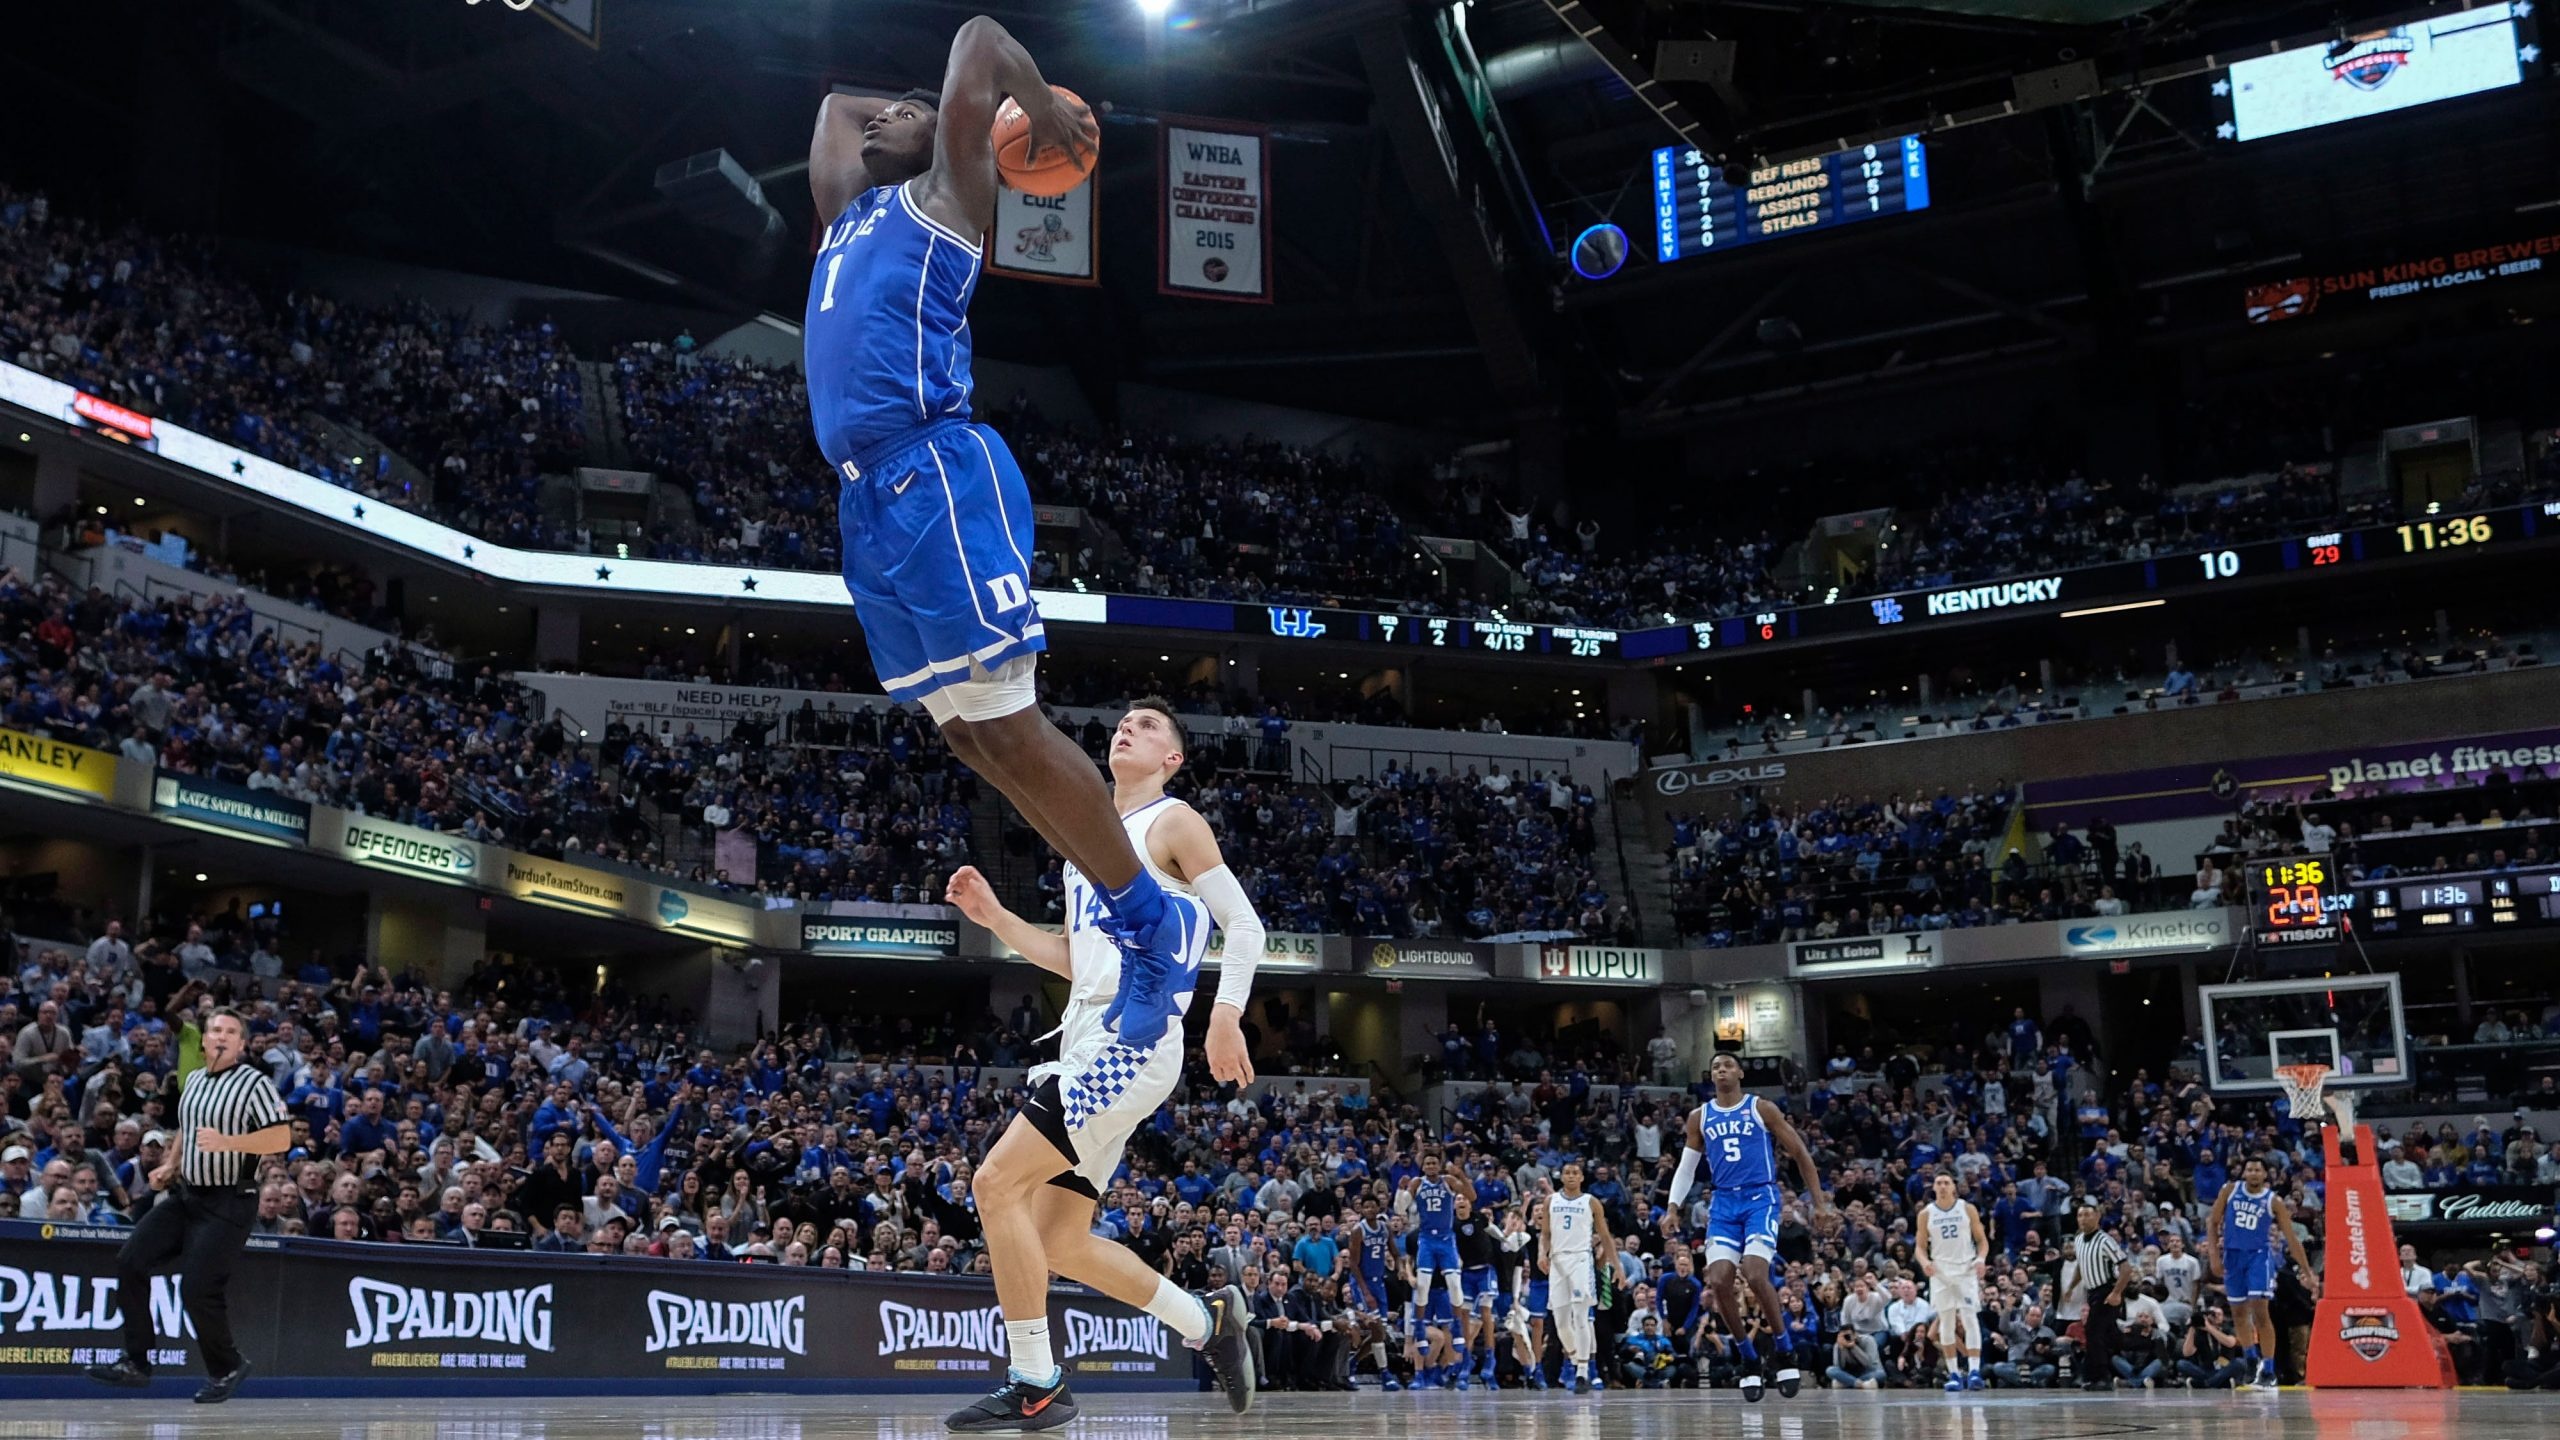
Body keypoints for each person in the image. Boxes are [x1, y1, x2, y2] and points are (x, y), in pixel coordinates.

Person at [802, 20, 1205, 1100]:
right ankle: (1136, 914)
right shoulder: (851, 215)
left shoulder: (948, 205)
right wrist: (904, 114)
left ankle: (1153, 928)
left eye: (911, 108)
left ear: (962, 143)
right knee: (976, 745)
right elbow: (834, 116)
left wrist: (1039, 105)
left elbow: (977, 38)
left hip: (937, 473)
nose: (881, 112)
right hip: (868, 502)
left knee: (1013, 729)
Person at [939, 700, 1261, 1429]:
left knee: (995, 1183)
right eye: (1124, 721)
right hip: (1086, 1035)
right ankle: (1208, 1320)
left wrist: (1227, 1013)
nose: (1129, 728)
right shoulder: (1085, 844)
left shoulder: (1173, 821)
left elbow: (1243, 923)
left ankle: (1035, 1377)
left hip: (1133, 1039)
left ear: (1172, 759)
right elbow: (1072, 955)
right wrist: (998, 921)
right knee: (1059, 1239)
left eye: (1150, 727)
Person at [82, 1009, 288, 1403]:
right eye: (216, 1030)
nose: (222, 1036)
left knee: (197, 1288)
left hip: (231, 1199)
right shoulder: (192, 1080)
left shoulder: (254, 1083)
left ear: (242, 1044)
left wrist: (230, 1143)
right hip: (187, 1195)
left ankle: (227, 1366)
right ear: (205, 1039)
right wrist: (171, 1165)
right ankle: (137, 1363)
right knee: (130, 1260)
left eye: (231, 1031)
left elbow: (279, 1138)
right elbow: (187, 1130)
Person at [1667, 1051, 1835, 1401]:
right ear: (1710, 1076)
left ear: (1740, 1072)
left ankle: (1784, 1349)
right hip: (1724, 1202)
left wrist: (1819, 1203)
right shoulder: (1700, 1117)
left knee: (1757, 1274)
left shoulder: (1761, 1108)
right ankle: (1748, 1358)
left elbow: (1801, 1154)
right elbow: (1686, 1168)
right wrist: (1672, 1208)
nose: (1721, 1070)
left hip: (1761, 1198)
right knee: (1718, 1280)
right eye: (1715, 1066)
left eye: (1727, 1065)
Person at [2204, 1155, 2319, 1391]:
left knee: (2259, 1311)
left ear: (2265, 1175)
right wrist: (2214, 1257)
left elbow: (2291, 1238)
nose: (2254, 1173)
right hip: (2233, 1256)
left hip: (2258, 1256)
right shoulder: (2230, 1190)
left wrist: (2308, 1272)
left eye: (2258, 1170)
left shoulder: (2272, 1201)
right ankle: (2250, 1358)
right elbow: (2212, 1222)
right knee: (2237, 1312)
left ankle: (2268, 1369)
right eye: (2250, 1169)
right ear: (2244, 1173)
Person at [1542, 1159, 1614, 1394]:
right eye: (1567, 1172)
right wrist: (1542, 1254)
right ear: (1561, 1177)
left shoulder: (1591, 1202)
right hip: (1557, 1261)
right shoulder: (1550, 1201)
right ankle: (1575, 1358)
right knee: (1561, 1323)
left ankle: (1582, 1371)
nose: (1571, 1176)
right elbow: (1545, 1233)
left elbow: (1604, 1235)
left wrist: (1617, 1267)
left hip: (1581, 1260)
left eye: (1575, 1172)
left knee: (1581, 1317)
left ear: (1582, 1177)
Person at [1399, 1148, 1470, 1383]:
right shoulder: (1418, 1183)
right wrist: (1402, 1190)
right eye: (1427, 1163)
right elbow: (1400, 1209)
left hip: (1446, 1239)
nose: (1430, 1166)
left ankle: (1458, 1326)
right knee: (1422, 1285)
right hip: (1427, 1239)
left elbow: (1472, 1196)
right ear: (1423, 1166)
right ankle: (1419, 1327)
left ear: (1439, 1165)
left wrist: (1462, 1176)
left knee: (1455, 1284)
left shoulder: (1448, 1181)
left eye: (1433, 1163)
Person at [1919, 1171, 1989, 1391]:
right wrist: (1924, 1263)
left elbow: (1982, 1241)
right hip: (1940, 1270)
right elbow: (1919, 1247)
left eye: (1946, 1182)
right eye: (1938, 1182)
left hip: (1965, 1268)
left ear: (1953, 1187)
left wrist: (1980, 1259)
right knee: (1946, 1321)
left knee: (1969, 1317)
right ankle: (1954, 1374)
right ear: (1934, 1188)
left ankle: (1975, 1370)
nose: (1941, 1186)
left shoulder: (1967, 1208)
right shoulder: (1926, 1213)